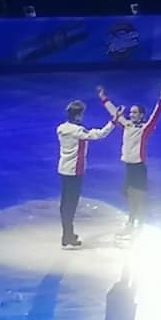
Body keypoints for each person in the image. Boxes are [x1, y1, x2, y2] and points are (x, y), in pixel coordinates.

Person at [97, 85, 161, 235]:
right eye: (130, 112)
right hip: (128, 167)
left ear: (141, 115)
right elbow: (114, 112)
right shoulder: (127, 125)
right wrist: (103, 98)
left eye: (135, 112)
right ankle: (131, 222)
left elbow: (155, 116)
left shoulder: (144, 128)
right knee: (130, 196)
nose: (131, 114)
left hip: (138, 168)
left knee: (139, 198)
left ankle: (139, 224)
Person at [57, 100, 115, 249]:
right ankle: (67, 236)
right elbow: (99, 135)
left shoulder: (61, 128)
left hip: (64, 169)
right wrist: (113, 122)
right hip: (75, 171)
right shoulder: (78, 131)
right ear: (77, 116)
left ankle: (67, 233)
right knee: (71, 205)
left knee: (65, 203)